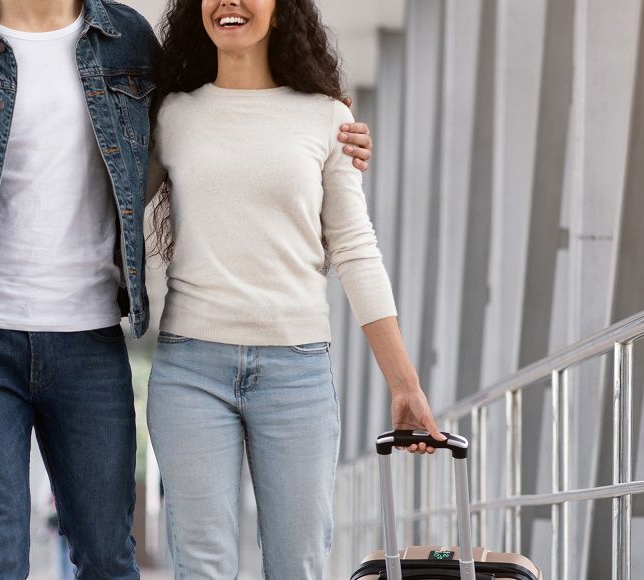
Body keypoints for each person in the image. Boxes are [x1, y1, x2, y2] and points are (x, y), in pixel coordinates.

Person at [0, 0, 373, 576]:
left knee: (107, 557)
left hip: (89, 344)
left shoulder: (127, 38)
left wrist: (325, 126)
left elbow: (209, 116)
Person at [142, 0, 439, 577]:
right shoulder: (173, 115)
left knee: (298, 565)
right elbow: (105, 209)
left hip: (296, 376)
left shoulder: (327, 119)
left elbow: (354, 249)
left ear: (281, 11)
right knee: (202, 563)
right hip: (189, 371)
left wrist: (405, 384)